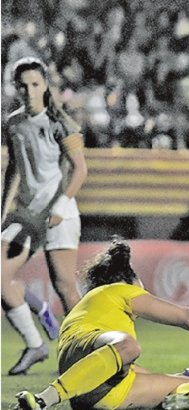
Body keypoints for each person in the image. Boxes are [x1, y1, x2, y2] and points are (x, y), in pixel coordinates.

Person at [14, 238, 189, 410]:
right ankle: (44, 399)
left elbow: (126, 370)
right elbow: (185, 316)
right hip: (89, 362)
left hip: (91, 391)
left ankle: (176, 400)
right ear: (129, 280)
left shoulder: (88, 311)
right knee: (128, 346)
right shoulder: (120, 290)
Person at [2, 57, 88, 375]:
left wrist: (62, 205)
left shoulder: (60, 123)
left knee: (65, 287)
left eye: (35, 84)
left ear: (45, 86)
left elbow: (80, 170)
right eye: (22, 85)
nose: (29, 91)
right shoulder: (13, 123)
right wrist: (3, 212)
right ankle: (36, 344)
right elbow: (14, 168)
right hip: (26, 214)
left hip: (58, 214)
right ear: (15, 87)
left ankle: (90, 352)